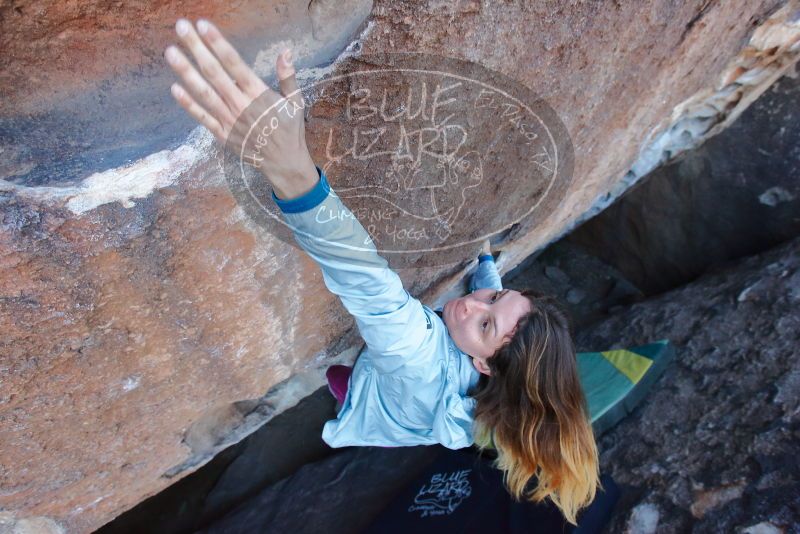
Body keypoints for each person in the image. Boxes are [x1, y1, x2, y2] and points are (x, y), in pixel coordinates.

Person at [163, 18, 600, 526]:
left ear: (483, 366)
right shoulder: (493, 357)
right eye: (494, 303)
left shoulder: (417, 358)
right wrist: (484, 261)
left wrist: (295, 174)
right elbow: (493, 300)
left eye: (485, 323)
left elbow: (367, 281)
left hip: (388, 399)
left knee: (377, 369)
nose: (472, 305)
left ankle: (356, 392)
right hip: (430, 401)